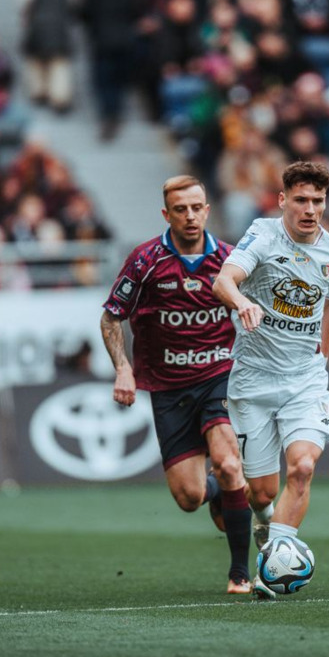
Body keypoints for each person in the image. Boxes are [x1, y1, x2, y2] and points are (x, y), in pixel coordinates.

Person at [99, 176, 252, 595]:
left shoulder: (229, 259)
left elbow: (256, 307)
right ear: (167, 215)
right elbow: (111, 317)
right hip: (168, 388)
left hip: (219, 376)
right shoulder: (145, 260)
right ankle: (219, 490)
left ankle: (240, 574)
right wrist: (123, 368)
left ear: (207, 210)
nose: (190, 216)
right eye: (180, 209)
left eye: (196, 208)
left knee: (229, 462)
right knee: (189, 497)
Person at [212, 161, 329, 599]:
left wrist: (322, 354)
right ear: (282, 200)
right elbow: (224, 280)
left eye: (318, 201)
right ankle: (266, 522)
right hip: (253, 380)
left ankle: (273, 566)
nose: (310, 209)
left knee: (303, 467)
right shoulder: (263, 235)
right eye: (301, 200)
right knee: (261, 493)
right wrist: (241, 302)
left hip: (304, 379)